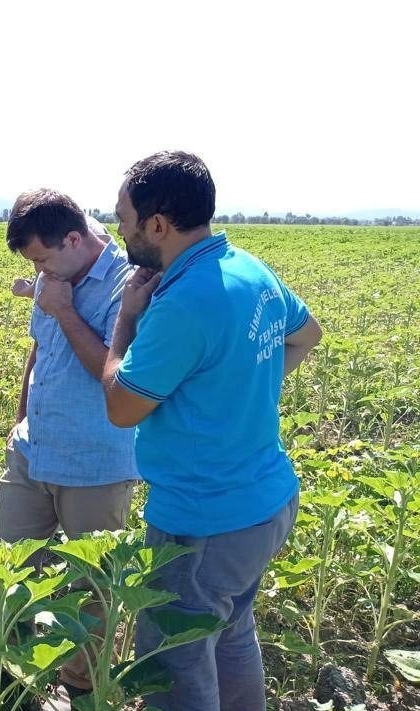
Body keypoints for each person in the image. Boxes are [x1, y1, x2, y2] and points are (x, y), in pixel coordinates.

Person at [102, 151, 323, 711]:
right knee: (230, 634)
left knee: (175, 663)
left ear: (157, 224)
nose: (119, 228)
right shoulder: (250, 269)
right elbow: (307, 334)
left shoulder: (182, 304)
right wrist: (241, 385)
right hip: (265, 500)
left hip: (204, 520)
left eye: (124, 217)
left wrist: (125, 319)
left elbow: (121, 407)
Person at [0, 189, 139, 706]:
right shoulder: (55, 276)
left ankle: (80, 688)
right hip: (33, 452)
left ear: (74, 239)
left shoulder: (130, 284)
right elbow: (39, 351)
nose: (38, 271)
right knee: (10, 572)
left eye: (41, 258)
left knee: (93, 589)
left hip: (95, 461)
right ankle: (10, 678)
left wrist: (63, 311)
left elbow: (113, 372)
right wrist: (20, 424)